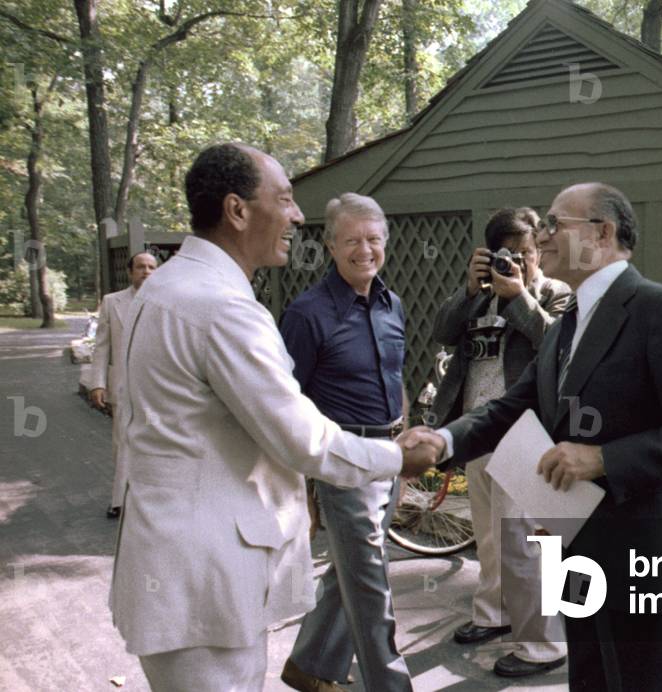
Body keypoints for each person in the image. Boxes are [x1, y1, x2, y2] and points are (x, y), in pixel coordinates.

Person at [108, 143, 437, 692]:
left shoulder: (167, 286)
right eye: (284, 199)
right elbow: (301, 436)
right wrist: (396, 457)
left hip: (176, 563)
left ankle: (313, 664)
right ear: (238, 211)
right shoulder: (223, 307)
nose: (296, 216)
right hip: (207, 579)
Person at [405, 182, 662, 690]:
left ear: (602, 233)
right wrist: (442, 442)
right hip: (579, 542)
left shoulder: (659, 309)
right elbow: (512, 407)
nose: (541, 235)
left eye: (555, 223)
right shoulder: (567, 325)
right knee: (590, 680)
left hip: (649, 548)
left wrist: (602, 458)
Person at [277, 193, 412, 692]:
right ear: (331, 246)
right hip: (341, 466)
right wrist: (302, 485)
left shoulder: (391, 304)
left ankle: (310, 665)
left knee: (352, 572)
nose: (365, 250)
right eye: (352, 240)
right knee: (372, 583)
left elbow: (392, 376)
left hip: (389, 459)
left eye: (374, 239)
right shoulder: (307, 314)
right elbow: (283, 405)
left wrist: (406, 430)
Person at [431, 207, 571, 677]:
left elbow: (560, 349)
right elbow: (443, 333)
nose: (520, 262)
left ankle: (543, 645)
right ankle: (494, 615)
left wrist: (520, 298)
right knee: (490, 537)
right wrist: (471, 290)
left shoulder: (556, 294)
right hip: (479, 429)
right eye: (508, 254)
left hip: (527, 433)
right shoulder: (478, 295)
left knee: (527, 542)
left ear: (539, 254)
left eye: (528, 253)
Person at [89, 250, 158, 518]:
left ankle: (149, 500)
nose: (146, 272)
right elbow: (101, 346)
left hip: (156, 388)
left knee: (155, 442)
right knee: (123, 442)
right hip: (122, 386)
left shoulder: (164, 303)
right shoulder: (112, 302)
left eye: (152, 267)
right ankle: (119, 500)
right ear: (131, 272)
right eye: (141, 267)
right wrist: (97, 383)